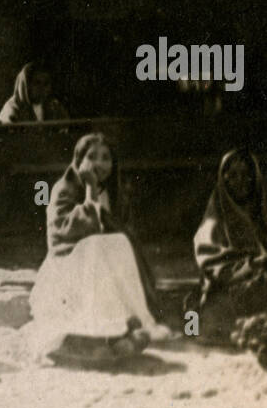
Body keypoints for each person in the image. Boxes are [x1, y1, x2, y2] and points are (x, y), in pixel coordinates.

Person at [26, 132, 167, 362]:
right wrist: (90, 189)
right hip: (68, 269)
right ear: (78, 161)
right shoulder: (63, 189)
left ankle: (120, 328)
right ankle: (95, 337)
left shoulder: (115, 193)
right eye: (91, 157)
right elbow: (62, 232)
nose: (99, 164)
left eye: (105, 158)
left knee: (117, 243)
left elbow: (125, 236)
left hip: (104, 271)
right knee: (95, 246)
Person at [192, 149, 267, 335]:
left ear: (255, 177)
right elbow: (211, 263)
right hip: (237, 280)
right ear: (225, 179)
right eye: (233, 176)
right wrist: (250, 264)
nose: (241, 182)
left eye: (246, 175)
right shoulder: (214, 218)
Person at [0, 61, 70, 124]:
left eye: (46, 84)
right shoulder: (12, 108)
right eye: (37, 83)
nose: (42, 88)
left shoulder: (54, 106)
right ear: (26, 85)